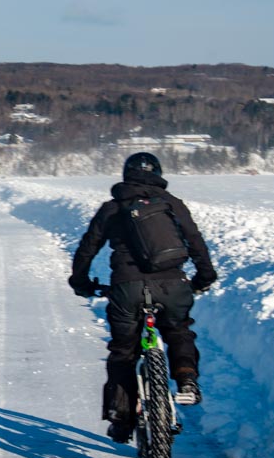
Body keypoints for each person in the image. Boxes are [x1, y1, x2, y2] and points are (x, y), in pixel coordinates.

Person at [68, 152, 218, 443]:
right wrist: (204, 278)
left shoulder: (112, 209)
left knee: (124, 353)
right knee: (178, 330)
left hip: (127, 289)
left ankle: (121, 419)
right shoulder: (173, 205)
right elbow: (197, 244)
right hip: (172, 286)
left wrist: (81, 282)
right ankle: (186, 379)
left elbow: (88, 248)